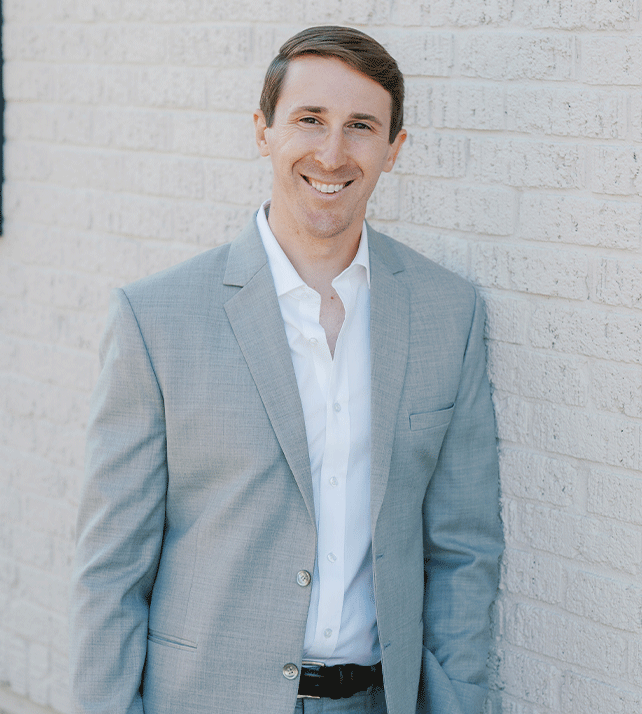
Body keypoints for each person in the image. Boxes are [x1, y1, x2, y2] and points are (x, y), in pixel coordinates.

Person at [70, 25, 503, 714]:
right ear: (262, 131)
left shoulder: (449, 315)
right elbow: (111, 571)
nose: (332, 153)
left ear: (394, 150)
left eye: (361, 126)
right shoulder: (155, 319)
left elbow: (463, 553)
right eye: (310, 120)